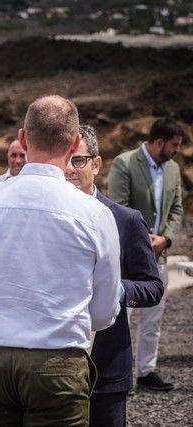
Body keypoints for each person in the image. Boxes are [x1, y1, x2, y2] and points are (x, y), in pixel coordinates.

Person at [0, 95, 122, 426]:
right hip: (57, 364)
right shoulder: (96, 214)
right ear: (74, 145)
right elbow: (104, 312)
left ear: (24, 139)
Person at [66, 125, 163, 426]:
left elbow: (153, 287)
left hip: (106, 365)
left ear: (97, 164)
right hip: (50, 366)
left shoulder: (125, 219)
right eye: (64, 160)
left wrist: (115, 289)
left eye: (78, 160)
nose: (69, 169)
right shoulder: (41, 218)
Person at [108, 117, 184, 392]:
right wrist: (141, 240)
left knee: (153, 317)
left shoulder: (174, 169)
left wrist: (167, 238)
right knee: (122, 318)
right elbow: (118, 207)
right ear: (158, 142)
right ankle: (121, 375)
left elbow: (177, 207)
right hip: (128, 255)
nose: (177, 150)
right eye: (174, 145)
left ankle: (146, 371)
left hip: (159, 254)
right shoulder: (124, 163)